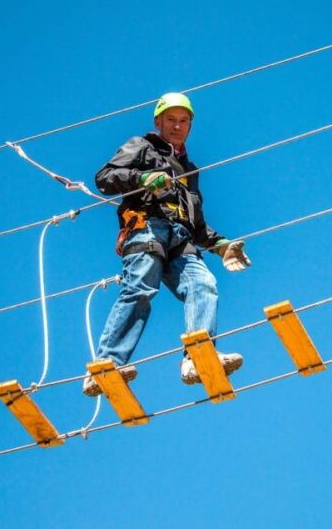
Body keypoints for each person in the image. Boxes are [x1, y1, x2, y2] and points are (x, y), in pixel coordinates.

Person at [83, 92, 252, 396]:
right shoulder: (142, 146)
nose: (177, 126)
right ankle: (105, 367)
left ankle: (198, 359)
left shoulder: (189, 170)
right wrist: (142, 178)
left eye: (183, 121)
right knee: (140, 289)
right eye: (171, 119)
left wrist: (220, 245)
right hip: (148, 228)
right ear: (158, 122)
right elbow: (105, 178)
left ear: (190, 126)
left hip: (181, 239)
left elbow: (196, 223)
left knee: (203, 284)